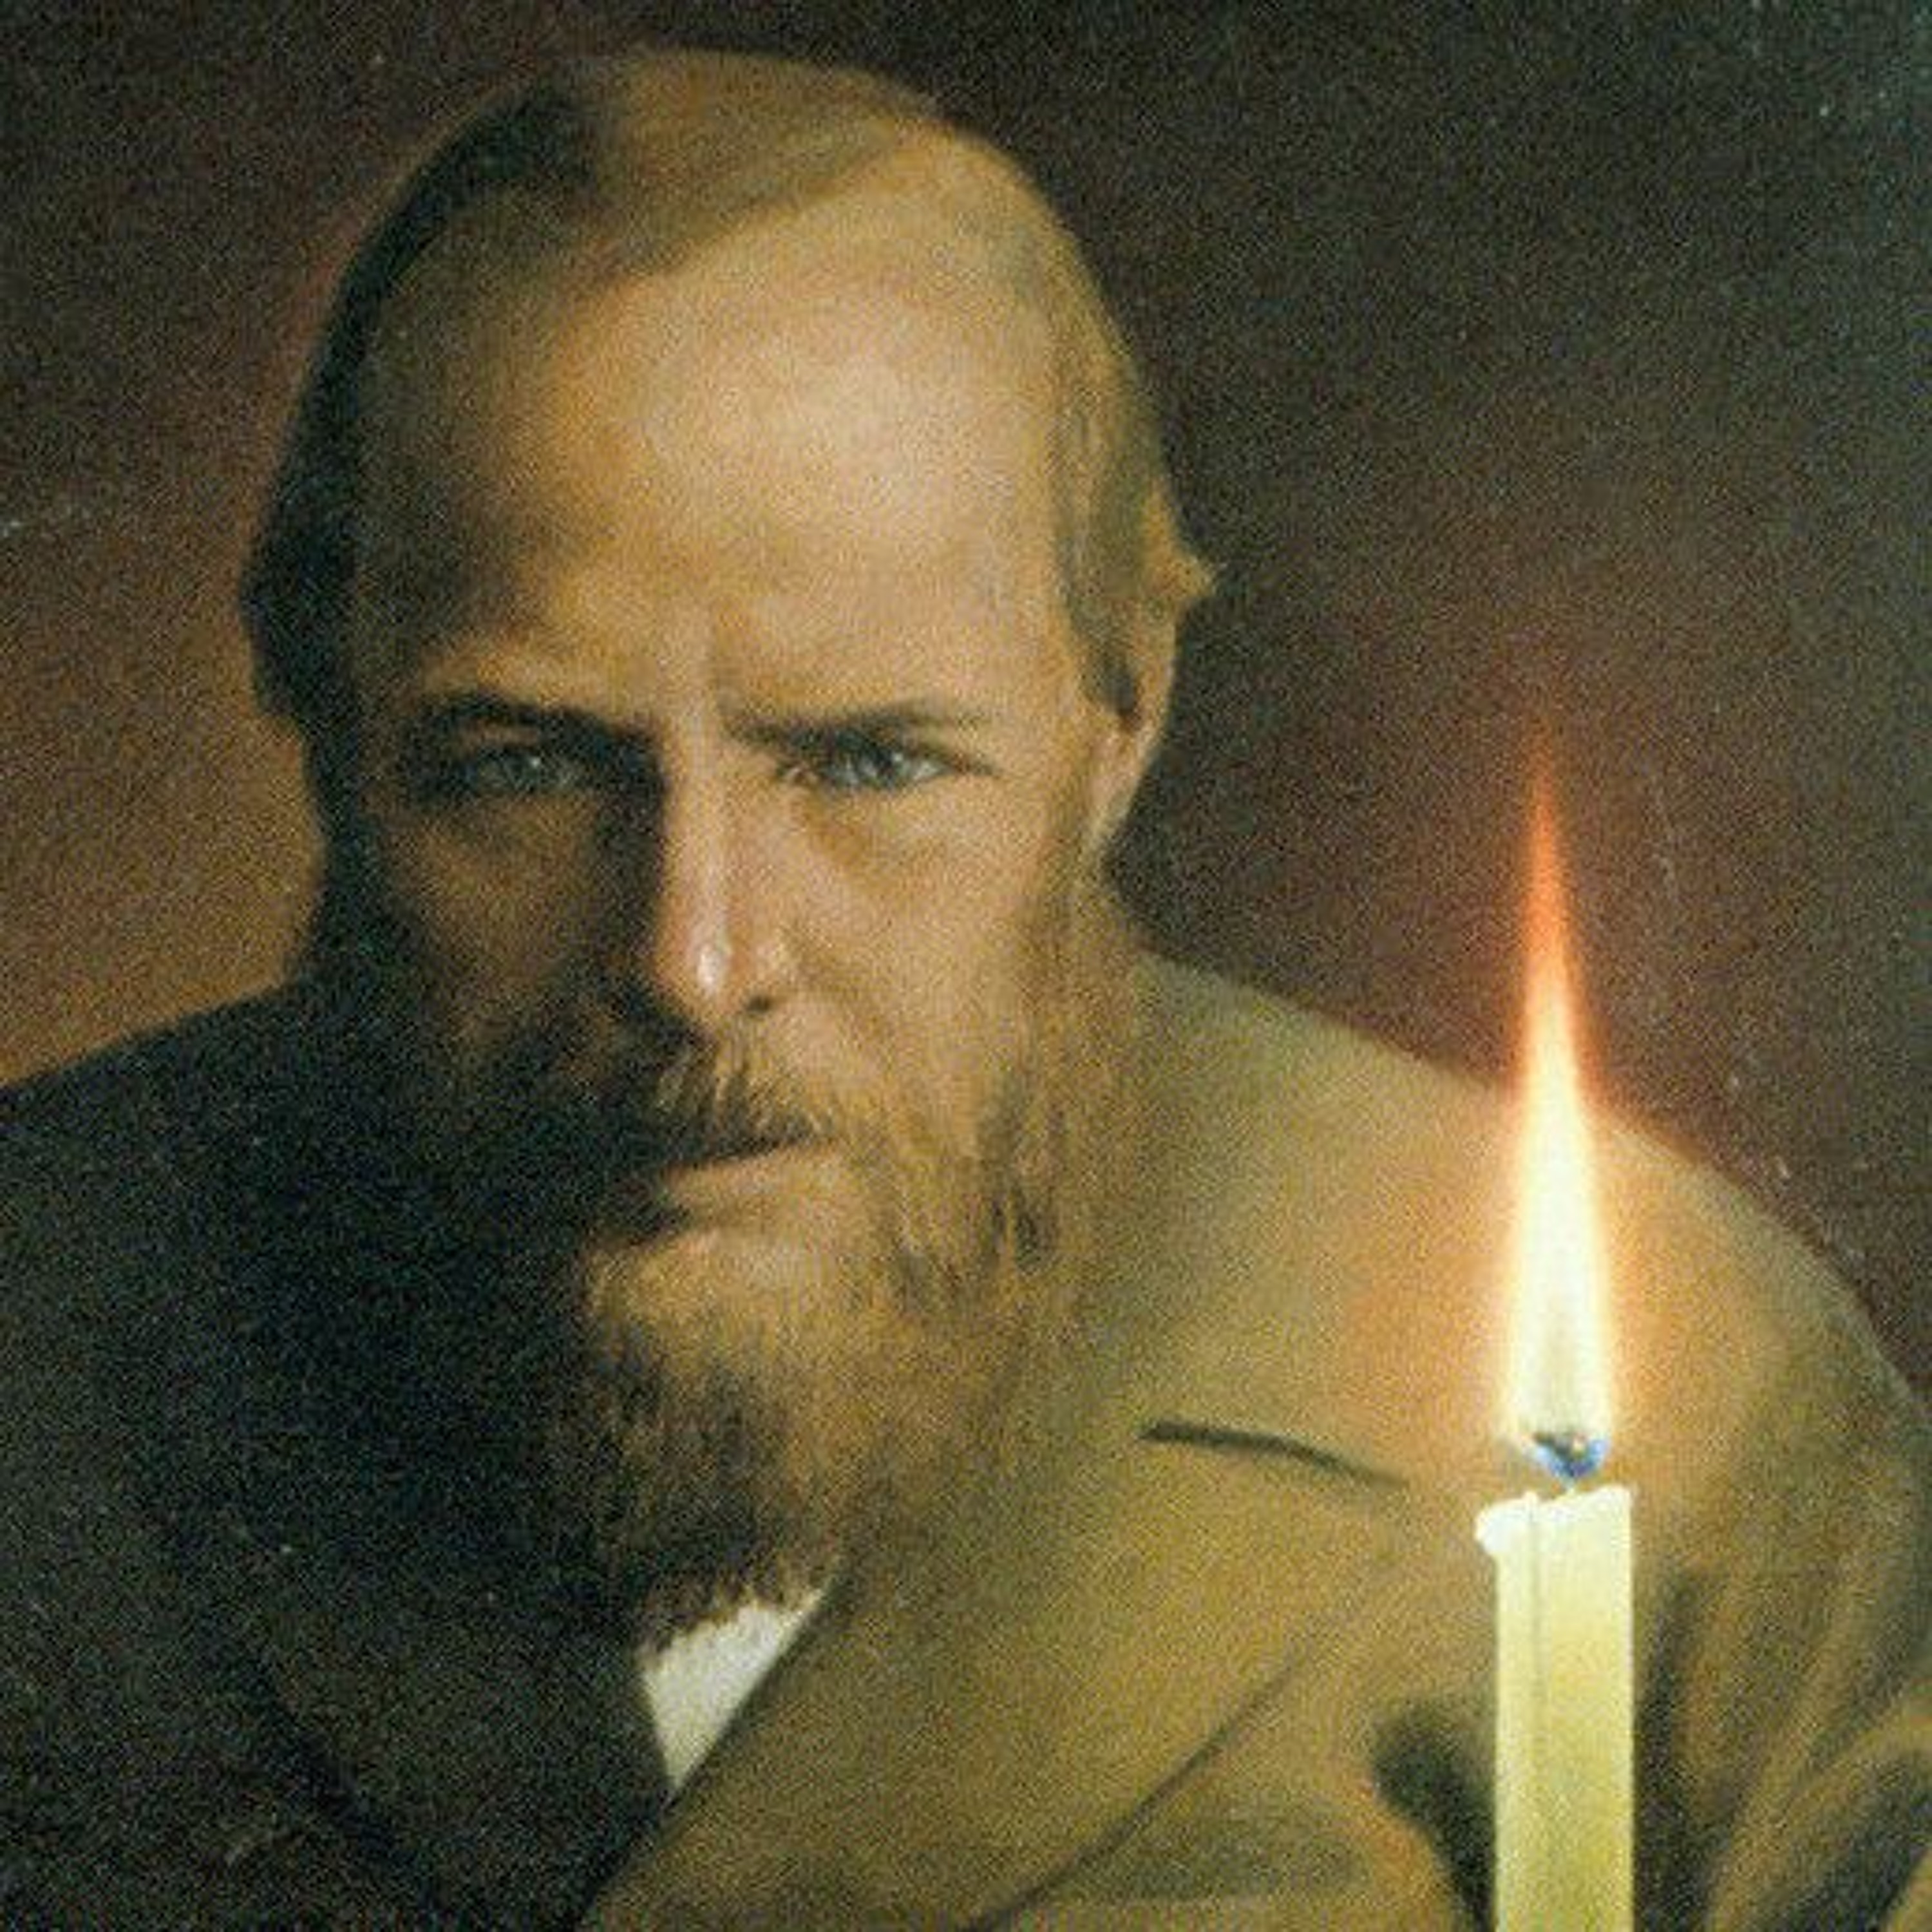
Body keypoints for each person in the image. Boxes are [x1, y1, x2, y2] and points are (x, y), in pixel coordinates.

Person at [0, 46, 1924, 1931]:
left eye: (870, 764)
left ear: (1119, 718)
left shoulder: (1686, 1400)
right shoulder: (44, 1311)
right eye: (521, 766)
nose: (694, 964)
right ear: (321, 713)